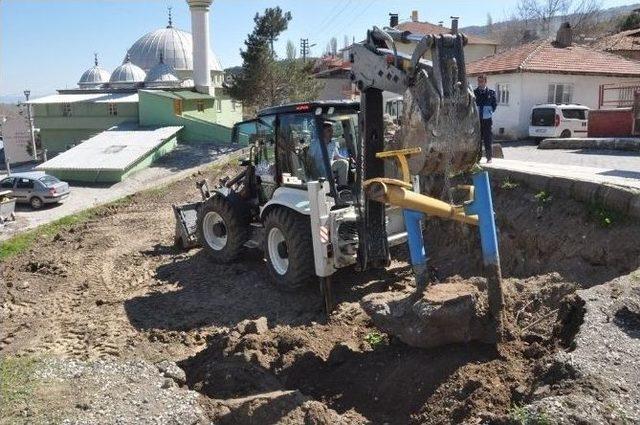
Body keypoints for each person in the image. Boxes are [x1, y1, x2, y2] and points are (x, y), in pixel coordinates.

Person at [310, 121, 349, 185]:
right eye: (329, 131)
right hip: (319, 166)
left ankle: (343, 186)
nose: (331, 133)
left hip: (330, 164)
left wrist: (347, 158)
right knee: (324, 168)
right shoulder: (315, 143)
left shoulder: (333, 143)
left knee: (344, 163)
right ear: (323, 132)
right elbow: (310, 159)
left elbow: (336, 156)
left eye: (332, 131)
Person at [474, 75, 497, 163]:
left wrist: (489, 112)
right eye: (479, 81)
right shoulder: (474, 92)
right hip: (477, 120)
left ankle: (489, 158)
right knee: (477, 139)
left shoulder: (491, 92)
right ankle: (477, 158)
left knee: (488, 138)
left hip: (487, 119)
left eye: (482, 81)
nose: (480, 83)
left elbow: (494, 105)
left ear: (485, 82)